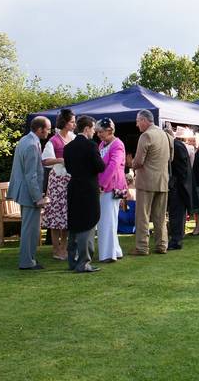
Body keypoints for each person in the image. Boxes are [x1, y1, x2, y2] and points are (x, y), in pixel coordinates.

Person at [7, 116, 51, 270]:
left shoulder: (25, 140)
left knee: (29, 229)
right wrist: (38, 198)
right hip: (29, 194)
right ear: (40, 129)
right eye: (48, 129)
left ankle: (30, 259)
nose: (49, 132)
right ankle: (27, 262)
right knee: (30, 230)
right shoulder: (32, 145)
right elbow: (31, 175)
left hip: (24, 192)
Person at [63, 115, 105, 273]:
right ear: (87, 128)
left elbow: (68, 169)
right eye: (93, 128)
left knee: (74, 224)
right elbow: (100, 167)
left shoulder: (68, 148)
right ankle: (84, 262)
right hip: (88, 189)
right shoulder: (91, 146)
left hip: (73, 187)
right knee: (88, 224)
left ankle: (72, 260)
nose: (94, 132)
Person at [130, 109, 172, 256]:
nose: (137, 125)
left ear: (143, 120)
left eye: (137, 121)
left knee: (142, 216)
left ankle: (142, 247)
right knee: (160, 216)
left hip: (146, 181)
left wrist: (131, 163)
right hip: (162, 180)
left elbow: (139, 161)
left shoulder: (146, 135)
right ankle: (162, 245)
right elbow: (170, 158)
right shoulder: (165, 135)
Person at [41, 109, 75, 260]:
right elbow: (45, 161)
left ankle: (64, 247)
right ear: (65, 123)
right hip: (57, 181)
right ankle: (56, 249)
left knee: (67, 215)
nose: (74, 124)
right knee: (55, 215)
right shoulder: (53, 141)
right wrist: (59, 160)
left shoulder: (73, 138)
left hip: (70, 180)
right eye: (72, 122)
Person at [95, 118, 127, 263]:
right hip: (106, 186)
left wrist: (101, 184)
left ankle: (108, 254)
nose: (98, 134)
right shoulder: (102, 144)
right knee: (108, 219)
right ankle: (115, 250)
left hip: (112, 187)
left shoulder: (117, 144)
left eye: (101, 131)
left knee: (107, 220)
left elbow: (113, 166)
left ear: (109, 130)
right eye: (97, 132)